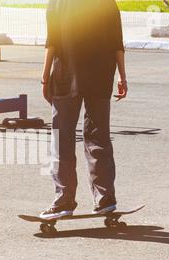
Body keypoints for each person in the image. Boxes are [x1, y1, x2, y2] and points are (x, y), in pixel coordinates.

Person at [40, 0, 128, 219]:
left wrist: (44, 77)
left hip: (66, 76)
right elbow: (117, 42)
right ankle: (105, 198)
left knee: (62, 138)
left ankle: (64, 200)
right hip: (100, 76)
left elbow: (52, 42)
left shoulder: (58, 3)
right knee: (99, 138)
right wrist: (122, 76)